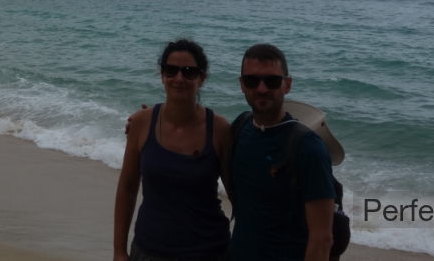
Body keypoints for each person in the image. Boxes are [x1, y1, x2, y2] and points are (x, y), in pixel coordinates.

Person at [114, 38, 231, 261]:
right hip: (148, 249)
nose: (179, 78)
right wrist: (119, 251)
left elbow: (240, 195)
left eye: (189, 72)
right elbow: (127, 187)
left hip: (208, 252)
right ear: (162, 75)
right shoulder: (141, 123)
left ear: (202, 78)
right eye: (171, 70)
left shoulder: (220, 129)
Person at [229, 44, 335, 261]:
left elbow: (322, 238)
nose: (261, 88)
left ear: (287, 85)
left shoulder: (308, 147)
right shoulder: (240, 127)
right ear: (241, 84)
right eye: (252, 80)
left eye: (272, 81)